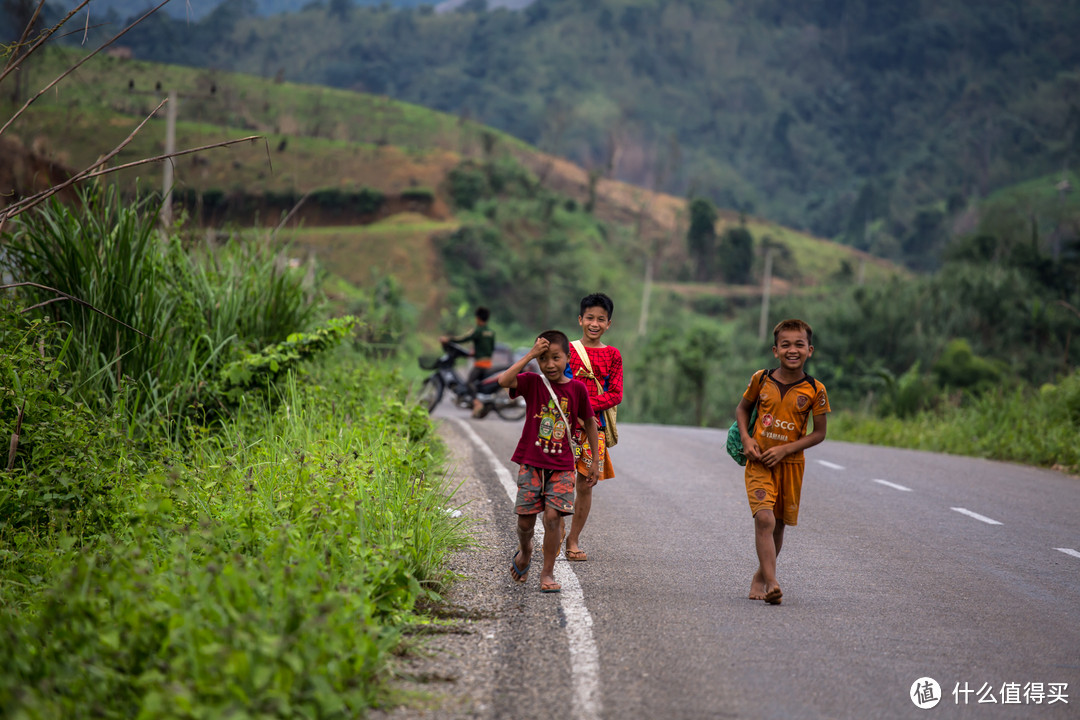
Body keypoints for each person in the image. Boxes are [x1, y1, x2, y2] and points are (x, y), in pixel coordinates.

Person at [734, 318, 830, 605]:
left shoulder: (815, 389)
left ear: (809, 350)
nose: (792, 350)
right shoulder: (761, 379)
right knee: (764, 519)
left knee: (778, 526)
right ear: (775, 350)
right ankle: (773, 582)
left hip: (790, 466)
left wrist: (787, 450)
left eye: (799, 344)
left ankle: (761, 577)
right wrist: (747, 440)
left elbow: (820, 433)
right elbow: (742, 410)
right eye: (785, 344)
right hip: (760, 462)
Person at [498, 330, 601, 593]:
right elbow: (504, 380)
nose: (550, 364)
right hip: (531, 462)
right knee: (524, 521)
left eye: (556, 358)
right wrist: (530, 355)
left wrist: (594, 462)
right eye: (544, 359)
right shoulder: (533, 382)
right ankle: (525, 551)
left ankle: (547, 572)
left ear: (568, 358)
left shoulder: (577, 389)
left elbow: (590, 422)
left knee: (553, 517)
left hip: (562, 465)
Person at [561, 292, 622, 562]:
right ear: (580, 320)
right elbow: (557, 381)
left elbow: (616, 393)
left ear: (609, 323)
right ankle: (557, 528)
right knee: (558, 480)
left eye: (601, 319)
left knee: (585, 484)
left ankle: (573, 540)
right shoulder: (567, 350)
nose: (594, 324)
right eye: (589, 318)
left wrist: (586, 407)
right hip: (563, 424)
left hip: (592, 427)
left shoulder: (613, 356)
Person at [441, 306, 495, 417]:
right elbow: (490, 348)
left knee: (469, 383)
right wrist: (476, 352)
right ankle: (479, 406)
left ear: (478, 318)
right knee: (478, 384)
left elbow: (464, 339)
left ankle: (477, 403)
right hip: (488, 362)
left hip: (480, 363)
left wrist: (449, 339)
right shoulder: (491, 332)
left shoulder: (478, 331)